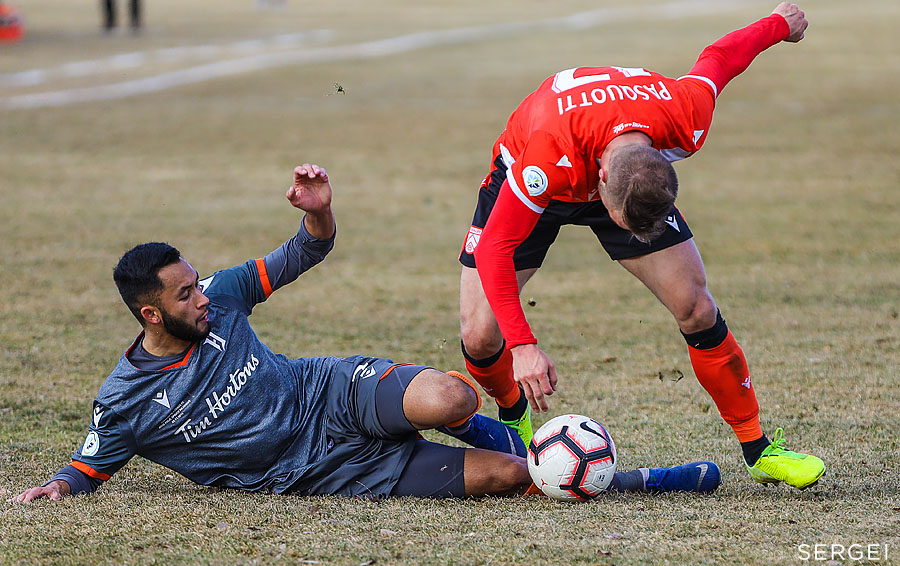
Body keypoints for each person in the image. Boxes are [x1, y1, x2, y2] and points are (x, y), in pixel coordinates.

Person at [11, 164, 720, 504]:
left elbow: (304, 252)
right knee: (512, 478)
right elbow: (85, 466)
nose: (204, 297)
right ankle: (635, 479)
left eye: (198, 284)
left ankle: (527, 445)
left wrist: (318, 212)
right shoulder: (127, 398)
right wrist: (54, 490)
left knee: (452, 400)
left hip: (329, 393)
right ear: (150, 315)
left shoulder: (223, 299)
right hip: (316, 471)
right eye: (185, 294)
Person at [457, 3, 825, 490]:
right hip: (538, 174)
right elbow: (494, 249)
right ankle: (515, 420)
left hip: (624, 170)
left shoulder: (683, 115)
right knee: (482, 335)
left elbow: (719, 58)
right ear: (601, 183)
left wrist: (778, 25)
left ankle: (759, 449)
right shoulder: (547, 156)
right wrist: (523, 346)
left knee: (696, 306)